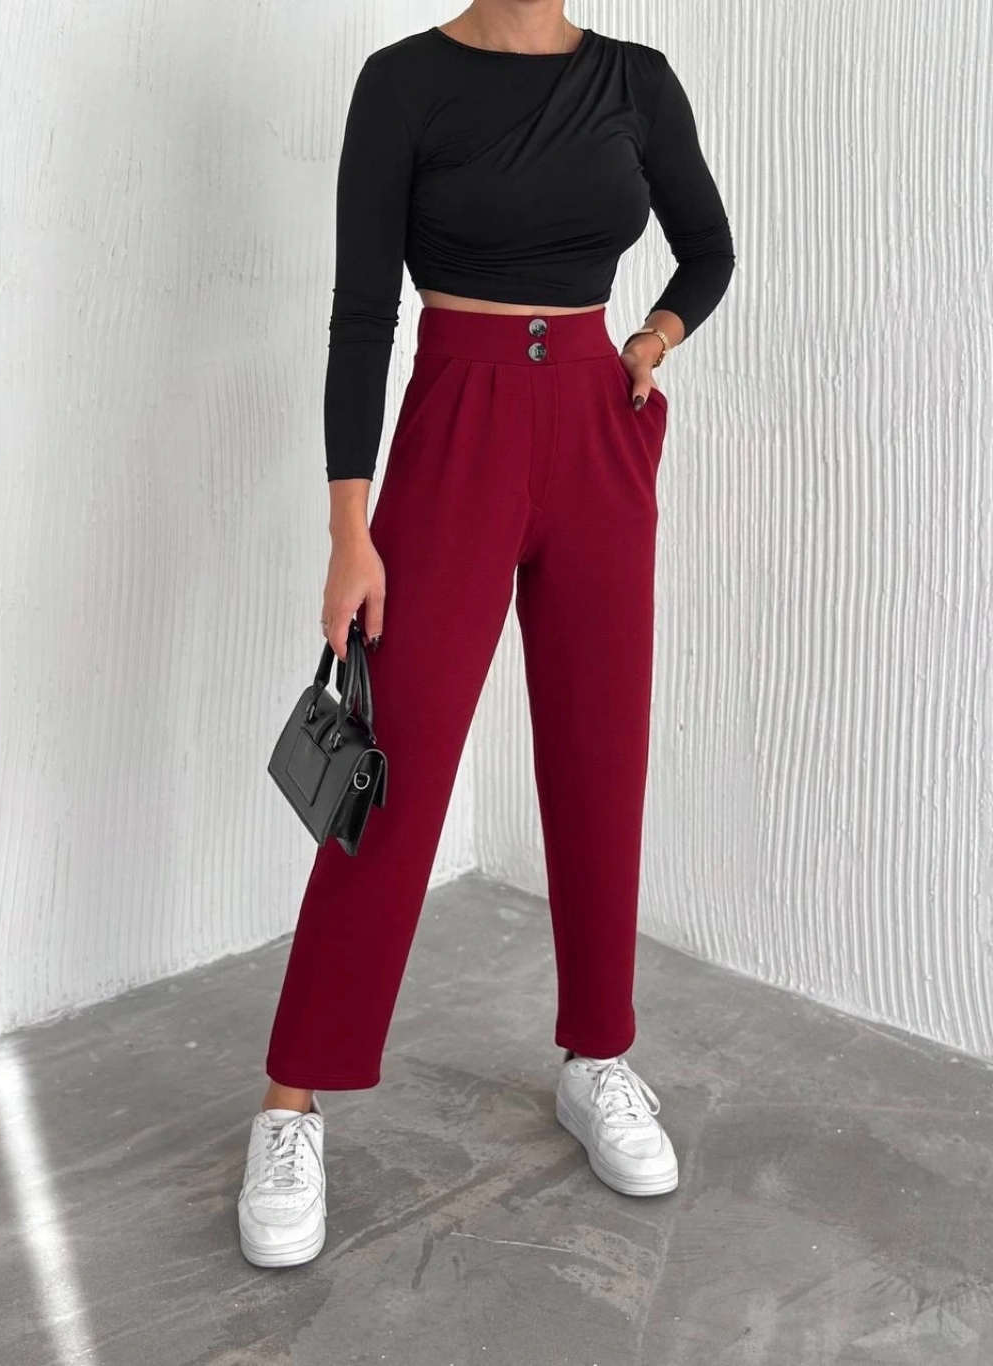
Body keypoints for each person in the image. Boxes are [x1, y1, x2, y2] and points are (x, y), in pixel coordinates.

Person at [237, 1, 735, 1268]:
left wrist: (652, 337)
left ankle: (599, 1054)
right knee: (392, 770)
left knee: (599, 752)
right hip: (455, 424)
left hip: (594, 430)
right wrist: (350, 529)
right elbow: (363, 313)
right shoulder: (403, 82)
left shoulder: (637, 83)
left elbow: (708, 249)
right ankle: (292, 1100)